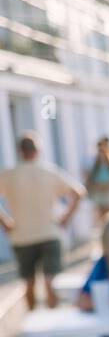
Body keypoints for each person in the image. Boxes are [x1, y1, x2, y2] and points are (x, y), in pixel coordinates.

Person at [0, 131, 84, 309]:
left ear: (19, 151)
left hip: (21, 235)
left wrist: (5, 222)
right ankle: (51, 320)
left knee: (28, 282)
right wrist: (65, 219)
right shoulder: (49, 171)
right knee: (50, 280)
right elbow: (78, 193)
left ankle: (33, 318)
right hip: (49, 232)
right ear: (38, 150)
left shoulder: (9, 175)